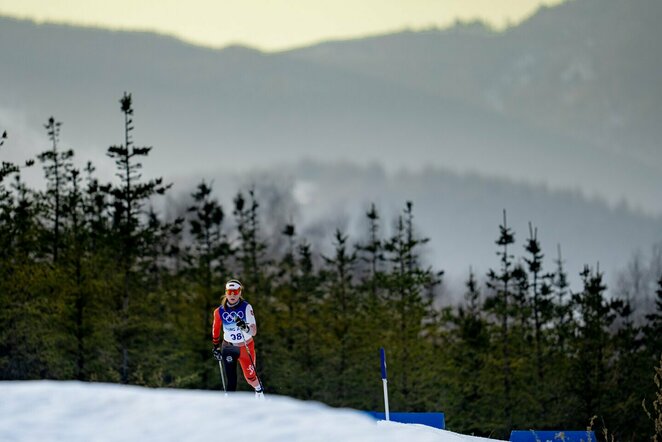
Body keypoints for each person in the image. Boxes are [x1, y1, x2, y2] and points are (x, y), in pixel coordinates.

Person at [212, 279, 264, 398]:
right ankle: (230, 404)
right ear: (226, 293)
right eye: (230, 292)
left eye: (236, 291)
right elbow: (215, 329)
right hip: (229, 347)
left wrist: (245, 327)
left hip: (246, 347)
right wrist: (216, 346)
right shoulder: (219, 311)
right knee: (231, 380)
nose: (232, 295)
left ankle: (259, 390)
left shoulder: (246, 307)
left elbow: (254, 331)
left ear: (240, 293)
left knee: (250, 378)